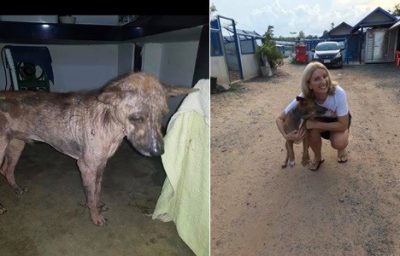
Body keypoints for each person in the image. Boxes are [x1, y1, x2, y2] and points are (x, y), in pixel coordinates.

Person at [276, 61, 351, 171]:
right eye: (317, 79)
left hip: (338, 122)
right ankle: (317, 157)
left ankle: (342, 147)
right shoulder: (304, 98)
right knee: (309, 129)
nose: (323, 81)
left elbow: (343, 124)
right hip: (320, 123)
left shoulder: (338, 93)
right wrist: (287, 137)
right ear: (309, 84)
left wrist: (315, 124)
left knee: (339, 142)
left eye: (325, 76)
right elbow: (279, 119)